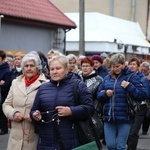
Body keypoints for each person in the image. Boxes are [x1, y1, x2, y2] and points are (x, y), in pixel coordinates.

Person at [30, 55, 95, 150]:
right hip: (46, 141)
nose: (55, 72)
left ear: (67, 69)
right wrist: (36, 115)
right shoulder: (43, 88)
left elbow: (90, 108)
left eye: (58, 68)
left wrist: (71, 111)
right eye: (52, 69)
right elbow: (34, 110)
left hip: (71, 140)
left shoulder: (78, 85)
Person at [97, 53, 147, 150]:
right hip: (109, 117)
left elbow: (142, 95)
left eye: (118, 66)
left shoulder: (132, 77)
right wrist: (105, 94)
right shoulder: (107, 78)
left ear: (123, 64)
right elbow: (98, 95)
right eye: (113, 66)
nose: (115, 69)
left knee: (121, 146)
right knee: (110, 145)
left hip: (125, 116)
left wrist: (129, 86)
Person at [2, 51, 47, 150]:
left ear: (38, 68)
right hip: (15, 138)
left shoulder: (46, 84)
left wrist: (37, 116)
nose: (29, 68)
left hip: (34, 137)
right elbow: (6, 104)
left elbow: (49, 109)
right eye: (26, 66)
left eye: (32, 65)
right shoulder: (15, 82)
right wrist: (13, 113)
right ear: (23, 68)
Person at [127, 57, 150, 150]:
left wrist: (130, 87)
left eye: (134, 64)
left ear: (138, 66)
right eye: (130, 64)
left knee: (133, 132)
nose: (132, 66)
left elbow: (145, 94)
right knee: (127, 132)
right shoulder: (125, 76)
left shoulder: (143, 79)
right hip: (126, 108)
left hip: (139, 109)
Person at [0, 50, 11, 135]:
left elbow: (7, 84)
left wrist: (2, 84)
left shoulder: (6, 70)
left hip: (3, 95)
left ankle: (3, 129)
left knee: (2, 112)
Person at [140, 61, 150, 135]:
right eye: (142, 70)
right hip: (142, 98)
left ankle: (145, 129)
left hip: (148, 98)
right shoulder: (140, 76)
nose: (143, 72)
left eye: (145, 70)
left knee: (147, 115)